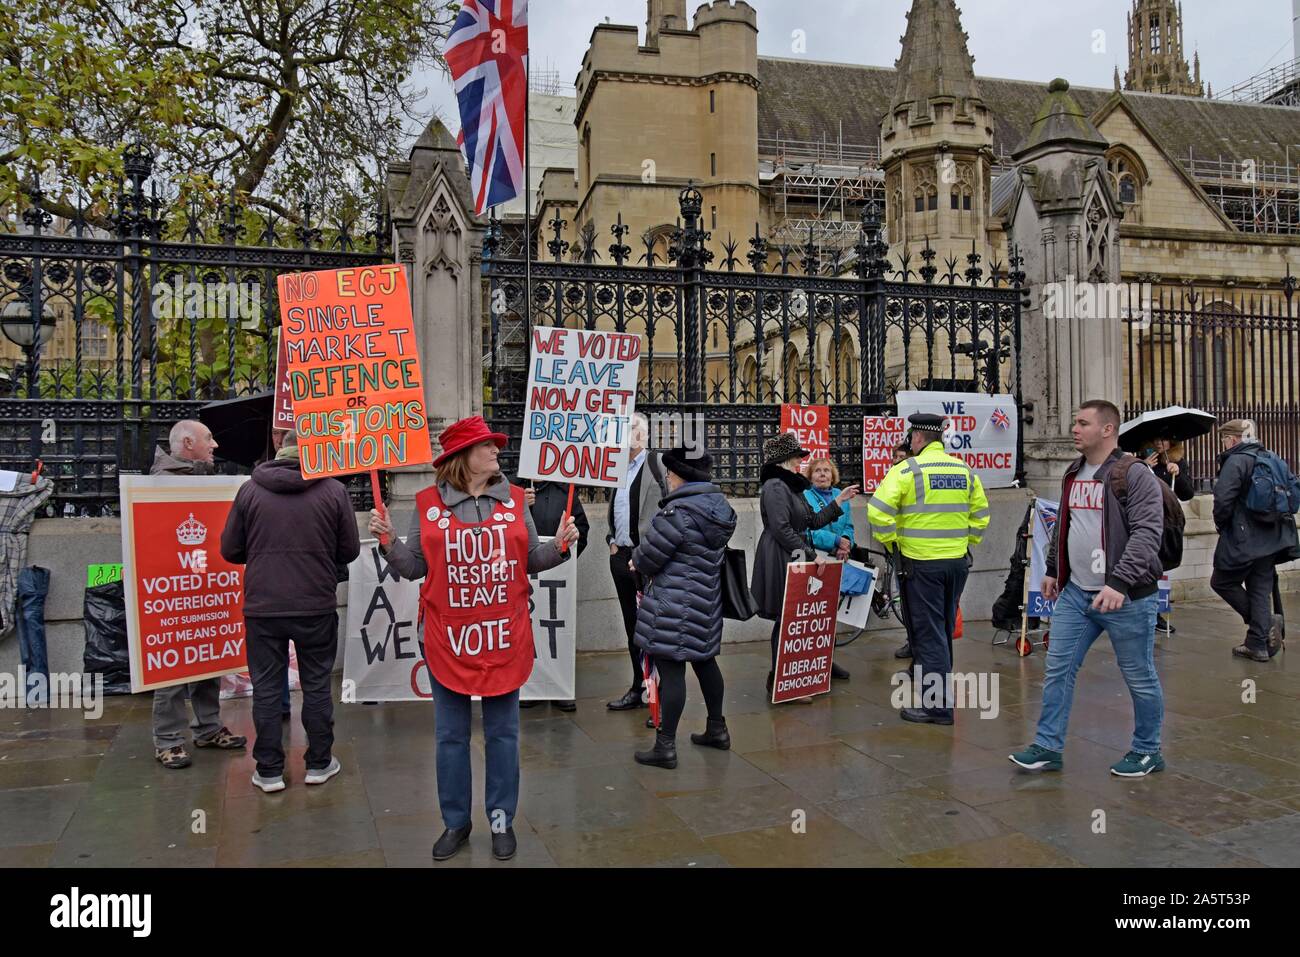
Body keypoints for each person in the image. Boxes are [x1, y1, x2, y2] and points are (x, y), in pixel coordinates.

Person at [368, 415, 578, 862]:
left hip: (503, 637)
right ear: (463, 457)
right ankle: (455, 822)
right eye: (486, 446)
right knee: (450, 736)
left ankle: (501, 821)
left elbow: (529, 562)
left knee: (504, 734)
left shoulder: (516, 499)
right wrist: (387, 543)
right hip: (447, 640)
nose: (495, 452)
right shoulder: (426, 504)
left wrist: (559, 546)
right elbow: (414, 568)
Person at [1010, 400, 1167, 777]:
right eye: (1074, 421)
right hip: (1077, 594)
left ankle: (1148, 750)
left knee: (1139, 674)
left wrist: (1119, 582)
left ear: (1108, 430)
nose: (1074, 429)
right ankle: (1048, 746)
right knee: (1057, 669)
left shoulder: (1134, 474)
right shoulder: (1073, 472)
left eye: (1082, 423)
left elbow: (1148, 534)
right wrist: (1052, 570)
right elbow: (1064, 525)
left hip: (1125, 597)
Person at [220, 428, 359, 793]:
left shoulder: (249, 491)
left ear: (280, 447)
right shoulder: (333, 490)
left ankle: (268, 770)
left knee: (266, 689)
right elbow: (350, 551)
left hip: (263, 606)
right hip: (315, 603)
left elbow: (230, 550)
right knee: (315, 685)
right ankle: (319, 762)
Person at [867, 413, 988, 725]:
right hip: (957, 563)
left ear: (917, 439)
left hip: (921, 565)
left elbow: (877, 512)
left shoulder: (909, 469)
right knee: (943, 629)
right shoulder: (963, 469)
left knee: (927, 633)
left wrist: (893, 544)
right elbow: (981, 515)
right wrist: (965, 543)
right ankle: (939, 694)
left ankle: (937, 706)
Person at [628, 448, 737, 768]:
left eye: (671, 474)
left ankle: (665, 747)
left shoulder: (677, 514)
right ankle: (717, 729)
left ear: (681, 476)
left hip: (672, 603)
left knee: (672, 671)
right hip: (706, 601)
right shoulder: (719, 508)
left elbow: (648, 557)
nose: (668, 479)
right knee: (705, 662)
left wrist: (636, 559)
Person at [151, 420, 247, 769]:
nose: (215, 444)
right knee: (173, 667)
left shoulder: (202, 480)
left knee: (208, 658)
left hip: (203, 587)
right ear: (188, 442)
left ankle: (207, 727)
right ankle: (168, 739)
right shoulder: (159, 485)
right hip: (174, 591)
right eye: (209, 438)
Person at [751, 432, 859, 694]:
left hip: (792, 553)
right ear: (785, 460)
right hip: (780, 556)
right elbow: (781, 528)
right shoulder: (776, 486)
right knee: (784, 617)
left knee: (792, 618)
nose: (801, 461)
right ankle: (779, 679)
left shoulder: (791, 486)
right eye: (798, 457)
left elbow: (812, 520)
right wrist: (812, 555)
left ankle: (788, 677)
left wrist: (839, 501)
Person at [1210, 419, 1296, 662]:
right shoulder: (1271, 456)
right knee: (1260, 589)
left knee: (1221, 581)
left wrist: (1221, 523)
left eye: (1224, 439)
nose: (1224, 444)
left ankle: (1267, 623)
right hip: (1272, 536)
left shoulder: (1236, 460)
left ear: (1233, 439)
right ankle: (1257, 645)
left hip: (1243, 536)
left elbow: (1223, 500)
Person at [605, 412, 669, 712]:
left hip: (649, 558)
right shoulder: (615, 468)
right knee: (632, 626)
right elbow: (616, 510)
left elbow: (669, 511)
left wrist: (650, 551)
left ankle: (659, 696)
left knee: (653, 627)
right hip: (621, 558)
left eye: (633, 429)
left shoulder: (657, 465)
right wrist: (611, 540)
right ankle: (638, 686)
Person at [519, 478, 589, 712]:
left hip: (558, 577)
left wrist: (571, 541)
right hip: (526, 578)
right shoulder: (515, 490)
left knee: (556, 632)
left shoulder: (564, 491)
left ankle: (561, 688)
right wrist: (521, 505)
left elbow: (582, 530)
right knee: (529, 632)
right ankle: (531, 687)